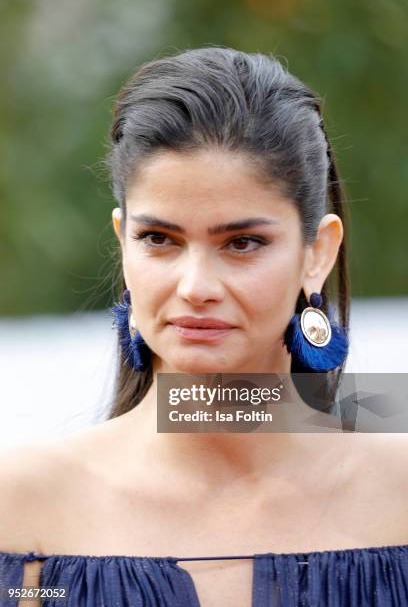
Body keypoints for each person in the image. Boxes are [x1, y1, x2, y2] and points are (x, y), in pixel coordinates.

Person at [1, 46, 408, 607]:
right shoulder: (24, 510)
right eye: (159, 239)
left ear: (318, 252)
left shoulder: (398, 497)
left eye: (242, 243)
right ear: (123, 243)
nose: (195, 286)